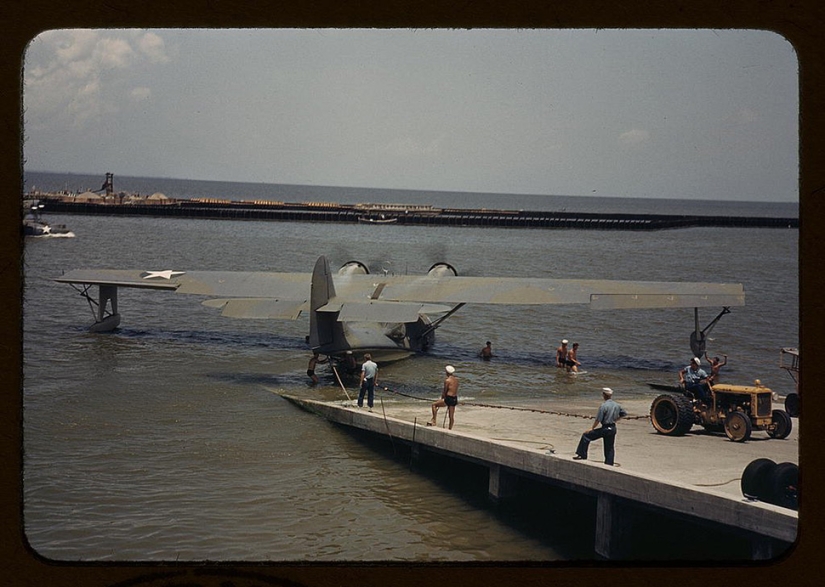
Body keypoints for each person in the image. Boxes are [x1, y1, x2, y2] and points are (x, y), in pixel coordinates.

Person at [574, 388, 627, 466]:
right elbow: (624, 414)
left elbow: (598, 419)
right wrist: (616, 419)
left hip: (605, 428)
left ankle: (582, 455)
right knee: (609, 447)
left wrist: (592, 428)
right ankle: (609, 463)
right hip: (612, 428)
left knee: (586, 436)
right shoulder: (617, 405)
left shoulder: (603, 406)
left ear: (604, 395)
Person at [428, 365, 460, 429]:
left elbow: (445, 391)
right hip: (454, 399)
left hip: (448, 398)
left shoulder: (447, 380)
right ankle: (450, 428)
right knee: (451, 416)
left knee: (434, 405)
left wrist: (442, 398)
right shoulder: (456, 380)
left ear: (447, 372)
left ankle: (434, 420)